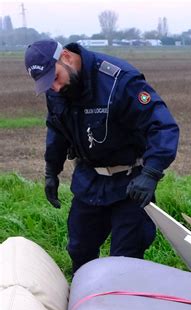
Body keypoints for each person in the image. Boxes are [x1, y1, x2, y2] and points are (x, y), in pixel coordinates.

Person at [24, 39, 179, 273]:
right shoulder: (57, 91)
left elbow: (162, 126)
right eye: (47, 84)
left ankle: (123, 305)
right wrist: (51, 172)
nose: (54, 88)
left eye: (54, 78)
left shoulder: (120, 80)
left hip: (129, 184)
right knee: (79, 251)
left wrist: (151, 173)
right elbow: (56, 129)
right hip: (89, 180)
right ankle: (84, 303)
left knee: (125, 261)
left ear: (65, 57)